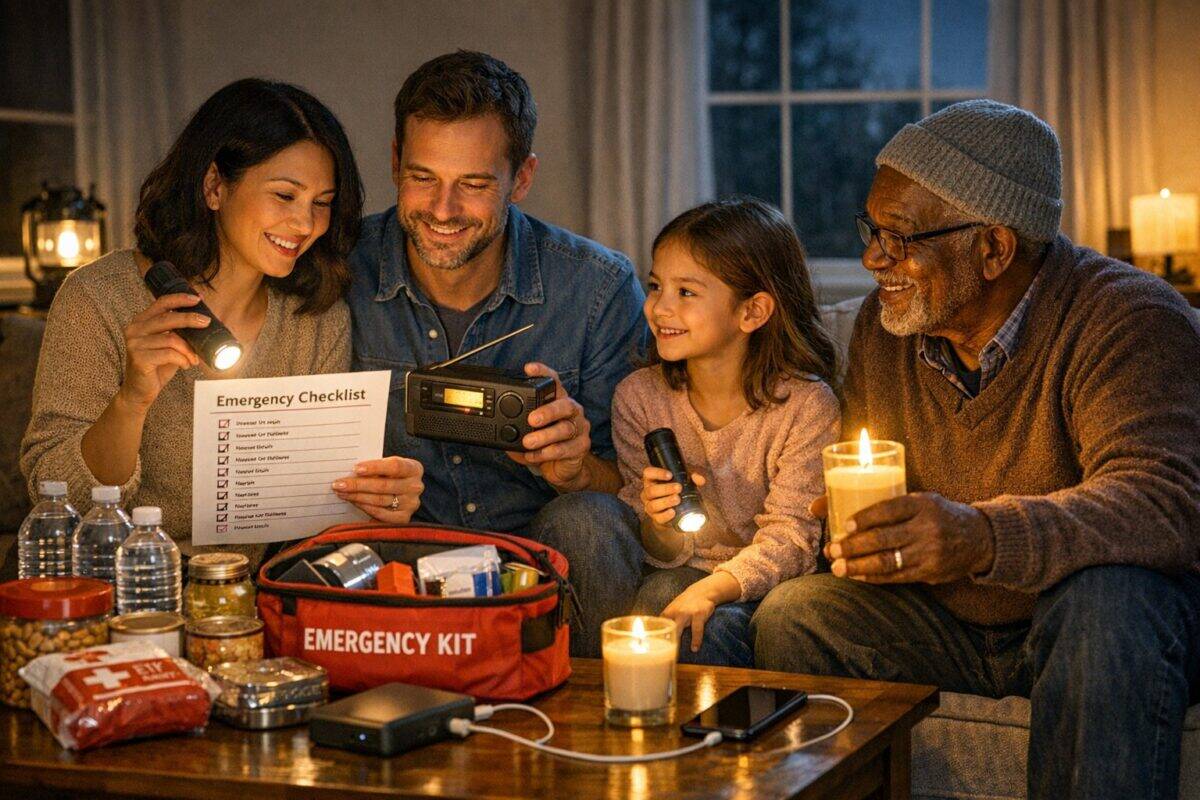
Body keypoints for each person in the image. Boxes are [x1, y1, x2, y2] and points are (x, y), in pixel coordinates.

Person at [750, 100, 1200, 799]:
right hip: (950, 622)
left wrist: (980, 537)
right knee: (796, 614)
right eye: (872, 230)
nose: (875, 259)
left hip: (1083, 617)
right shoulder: (887, 329)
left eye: (900, 238)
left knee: (1106, 600)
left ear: (992, 248)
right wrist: (866, 536)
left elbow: (1163, 503)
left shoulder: (1127, 318)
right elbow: (875, 489)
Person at [19, 78, 365, 568]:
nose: (305, 224)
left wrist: (367, 498)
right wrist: (132, 400)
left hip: (241, 597)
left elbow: (312, 511)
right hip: (115, 589)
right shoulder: (98, 298)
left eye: (322, 202)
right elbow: (59, 498)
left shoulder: (316, 317)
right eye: (285, 195)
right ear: (215, 187)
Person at [337, 51, 645, 531]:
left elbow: (636, 495)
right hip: (392, 549)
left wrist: (578, 469)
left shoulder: (598, 288)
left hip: (542, 556)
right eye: (423, 178)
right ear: (396, 162)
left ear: (521, 178)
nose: (442, 210)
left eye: (474, 184)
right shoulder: (338, 268)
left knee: (588, 521)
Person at [534, 198, 840, 662]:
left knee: (679, 616)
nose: (659, 308)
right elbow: (654, 543)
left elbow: (792, 540)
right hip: (675, 573)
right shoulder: (640, 397)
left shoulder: (805, 407)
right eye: (655, 286)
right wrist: (659, 522)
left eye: (686, 293)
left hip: (760, 587)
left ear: (752, 311)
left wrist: (715, 590)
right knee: (657, 592)